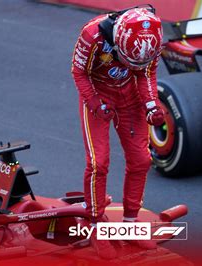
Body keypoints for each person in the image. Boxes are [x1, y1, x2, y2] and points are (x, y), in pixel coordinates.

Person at [71, 6, 165, 259]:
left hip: (129, 94)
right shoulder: (93, 35)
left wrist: (151, 105)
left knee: (142, 159)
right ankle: (95, 225)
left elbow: (146, 73)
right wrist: (94, 102)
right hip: (98, 94)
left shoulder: (152, 39)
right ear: (118, 41)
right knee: (98, 162)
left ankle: (131, 224)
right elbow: (78, 72)